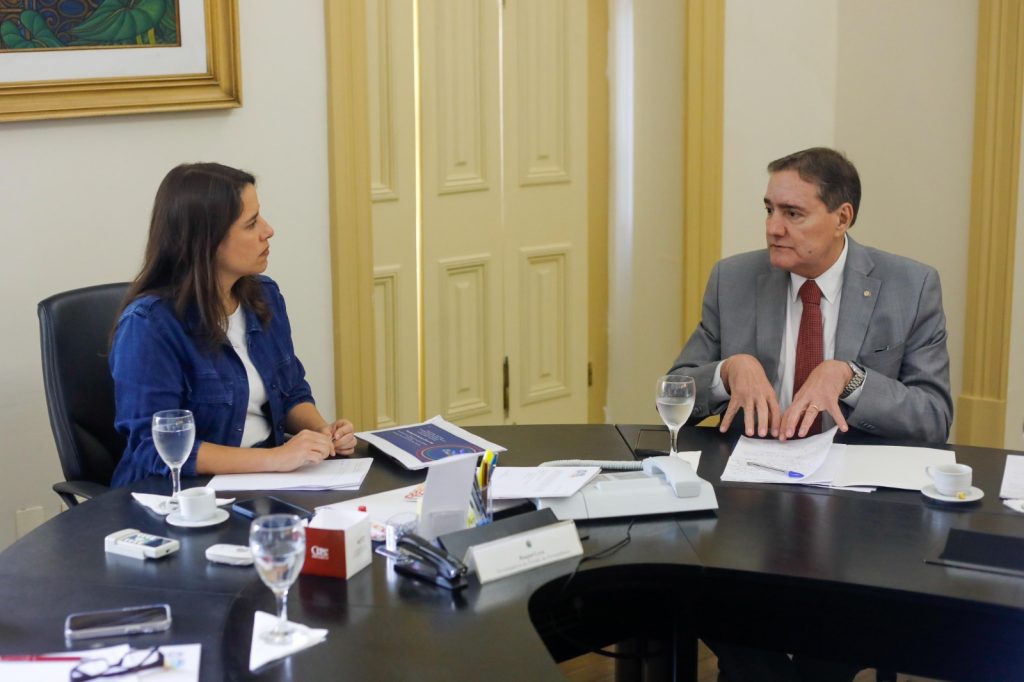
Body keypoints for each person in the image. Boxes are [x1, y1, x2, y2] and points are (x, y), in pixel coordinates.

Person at [669, 147, 952, 445]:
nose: (773, 228)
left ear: (842, 219)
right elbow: (673, 392)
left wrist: (852, 380)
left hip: (856, 469)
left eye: (793, 214)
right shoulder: (733, 280)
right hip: (753, 468)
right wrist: (726, 373)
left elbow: (934, 417)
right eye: (769, 210)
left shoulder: (911, 287)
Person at [109, 162, 357, 487]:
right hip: (181, 495)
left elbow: (291, 392)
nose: (268, 230)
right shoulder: (149, 326)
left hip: (265, 480)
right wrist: (276, 459)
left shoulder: (265, 296)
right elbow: (155, 448)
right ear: (207, 240)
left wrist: (321, 432)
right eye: (251, 223)